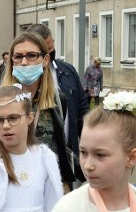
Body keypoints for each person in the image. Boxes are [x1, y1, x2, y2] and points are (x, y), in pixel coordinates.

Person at [0, 33, 76, 192]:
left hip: (47, 186)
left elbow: (60, 146)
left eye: (32, 55)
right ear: (11, 62)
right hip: (10, 186)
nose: (24, 62)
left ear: (45, 60)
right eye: (18, 57)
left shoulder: (57, 100)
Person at [26, 23, 90, 180]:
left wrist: (89, 148)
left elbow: (82, 112)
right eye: (44, 50)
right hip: (33, 161)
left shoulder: (67, 71)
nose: (50, 53)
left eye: (51, 47)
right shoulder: (23, 78)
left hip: (67, 154)